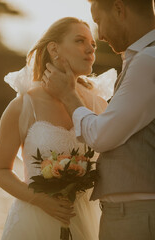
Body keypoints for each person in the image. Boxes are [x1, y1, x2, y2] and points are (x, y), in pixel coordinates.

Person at [42, 0, 155, 240]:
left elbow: (102, 136)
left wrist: (69, 96)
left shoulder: (148, 61)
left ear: (119, 9)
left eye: (98, 21)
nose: (100, 35)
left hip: (137, 216)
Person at [0, 17, 112, 240]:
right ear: (54, 49)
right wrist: (42, 201)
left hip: (87, 220)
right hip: (35, 220)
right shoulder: (22, 106)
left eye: (93, 45)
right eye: (79, 41)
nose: (90, 49)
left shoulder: (99, 105)